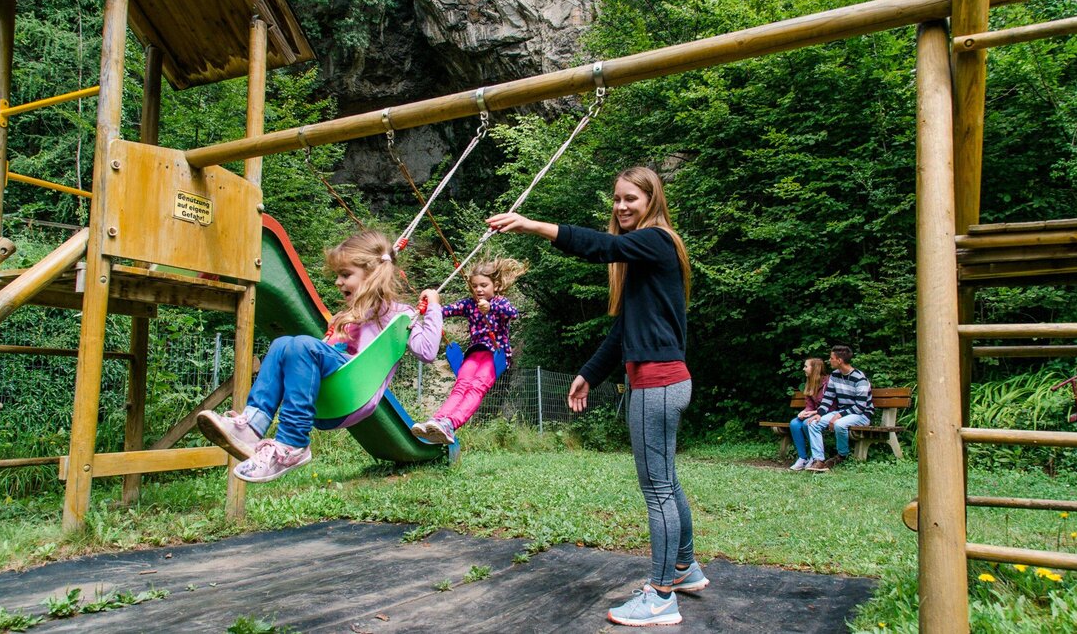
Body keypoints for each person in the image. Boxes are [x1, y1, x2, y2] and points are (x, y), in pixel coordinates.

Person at [487, 166, 706, 627]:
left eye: (631, 198)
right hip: (662, 380)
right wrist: (589, 373)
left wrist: (533, 226)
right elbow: (624, 330)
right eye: (617, 198)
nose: (622, 206)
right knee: (666, 481)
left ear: (652, 201)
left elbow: (600, 247)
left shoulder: (656, 240)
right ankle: (685, 568)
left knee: (658, 488)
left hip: (658, 383)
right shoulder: (644, 257)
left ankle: (661, 596)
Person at [197, 230, 443, 482]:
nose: (338, 282)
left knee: (302, 345)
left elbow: (427, 351)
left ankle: (292, 443)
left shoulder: (399, 315)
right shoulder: (346, 316)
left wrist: (434, 306)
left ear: (372, 275)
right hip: (328, 392)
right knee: (282, 344)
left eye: (345, 275)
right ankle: (252, 425)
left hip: (352, 388)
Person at [412, 256, 527, 444]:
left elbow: (513, 314)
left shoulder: (500, 302)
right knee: (461, 386)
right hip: (474, 353)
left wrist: (490, 307)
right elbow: (444, 311)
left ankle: (451, 423)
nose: (479, 289)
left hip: (495, 355)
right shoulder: (469, 304)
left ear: (496, 286)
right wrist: (429, 305)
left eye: (484, 285)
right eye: (475, 286)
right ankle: (437, 421)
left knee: (476, 387)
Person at [805, 345, 873, 472]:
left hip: (862, 415)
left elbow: (860, 407)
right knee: (813, 423)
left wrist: (839, 415)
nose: (829, 360)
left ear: (839, 360)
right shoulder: (835, 375)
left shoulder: (860, 378)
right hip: (842, 412)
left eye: (831, 358)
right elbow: (828, 398)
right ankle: (818, 460)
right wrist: (819, 413)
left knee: (839, 424)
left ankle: (842, 455)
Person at [788, 357, 829, 471]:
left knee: (807, 423)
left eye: (806, 366)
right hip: (814, 413)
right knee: (794, 423)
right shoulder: (810, 382)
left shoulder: (828, 383)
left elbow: (831, 406)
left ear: (815, 368)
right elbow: (809, 405)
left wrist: (814, 412)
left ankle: (814, 457)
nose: (803, 369)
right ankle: (802, 458)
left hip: (827, 413)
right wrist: (804, 412)